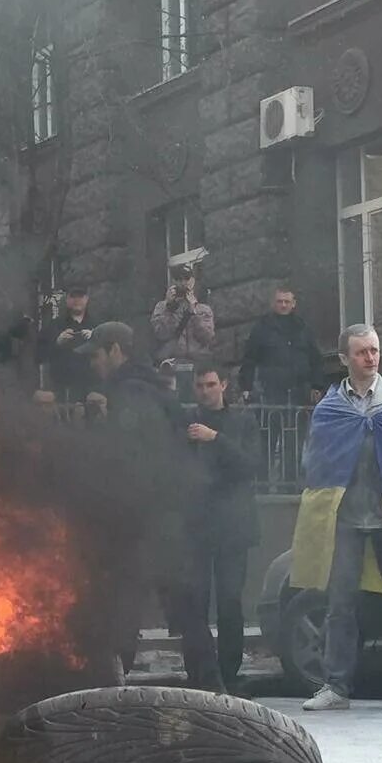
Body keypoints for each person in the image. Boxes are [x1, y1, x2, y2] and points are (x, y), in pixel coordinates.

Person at [290, 325, 382, 712]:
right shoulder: (330, 409)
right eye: (361, 352)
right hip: (346, 520)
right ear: (344, 359)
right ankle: (336, 686)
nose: (370, 358)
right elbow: (314, 462)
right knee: (340, 605)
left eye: (374, 350)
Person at [74, 322, 214, 687]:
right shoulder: (153, 390)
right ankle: (213, 691)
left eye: (97, 355)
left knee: (124, 604)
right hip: (170, 517)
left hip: (148, 521)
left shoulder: (132, 394)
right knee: (185, 609)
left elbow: (137, 460)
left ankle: (108, 691)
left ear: (116, 350)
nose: (94, 364)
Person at [182, 363, 259, 686]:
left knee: (229, 601)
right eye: (200, 386)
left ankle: (229, 673)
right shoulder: (187, 422)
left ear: (224, 385)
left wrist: (216, 439)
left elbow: (251, 465)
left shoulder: (242, 420)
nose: (205, 391)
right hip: (197, 526)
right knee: (194, 602)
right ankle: (199, 671)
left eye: (211, 384)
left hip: (233, 526)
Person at [237, 287, 320, 406]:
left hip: (301, 394)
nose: (283, 305)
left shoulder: (303, 329)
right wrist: (246, 387)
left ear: (294, 304)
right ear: (273, 303)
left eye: (287, 302)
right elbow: (250, 358)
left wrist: (317, 385)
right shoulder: (261, 328)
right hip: (270, 393)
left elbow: (315, 359)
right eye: (279, 301)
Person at [35, 286, 99, 404]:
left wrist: (95, 338)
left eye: (80, 296)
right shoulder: (54, 326)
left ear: (87, 298)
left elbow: (109, 354)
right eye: (73, 296)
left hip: (91, 392)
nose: (77, 300)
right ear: (67, 299)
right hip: (61, 392)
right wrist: (57, 342)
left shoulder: (98, 325)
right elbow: (39, 355)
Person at [151, 263, 216, 370]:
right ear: (173, 282)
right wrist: (169, 308)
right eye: (178, 279)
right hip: (173, 362)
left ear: (193, 281)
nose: (183, 283)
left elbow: (207, 337)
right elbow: (161, 334)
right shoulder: (161, 307)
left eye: (186, 278)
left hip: (197, 362)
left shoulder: (203, 309)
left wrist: (193, 311)